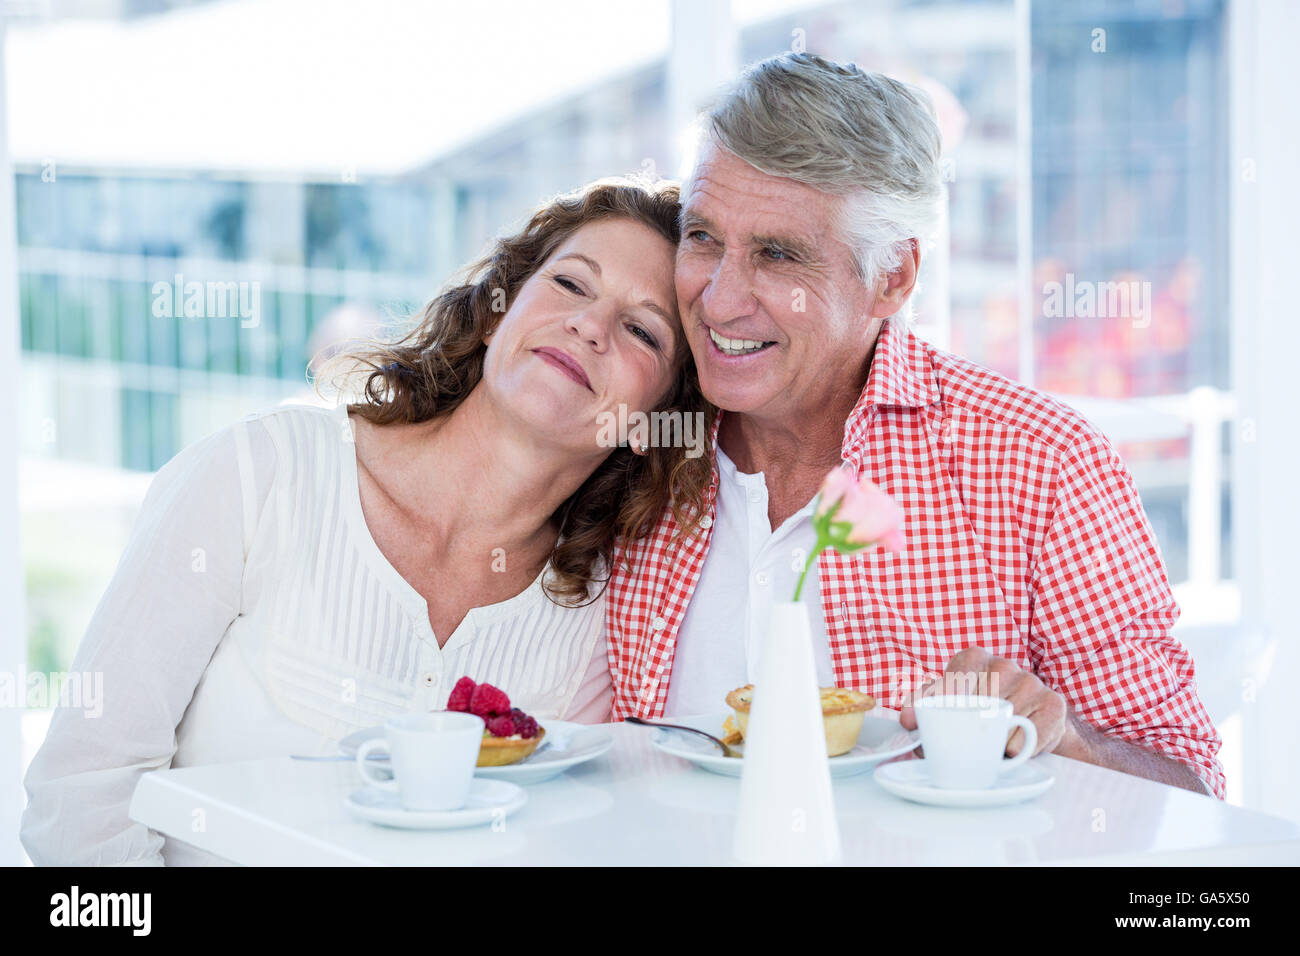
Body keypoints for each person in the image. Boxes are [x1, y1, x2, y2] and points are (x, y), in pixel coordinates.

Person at [22, 177, 715, 865]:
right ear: (498, 309)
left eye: (640, 330)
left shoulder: (598, 622)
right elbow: (80, 799)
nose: (590, 327)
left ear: (653, 421)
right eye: (570, 284)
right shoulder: (259, 477)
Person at [607, 53, 1225, 799]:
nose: (719, 297)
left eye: (777, 255)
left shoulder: (1043, 463)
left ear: (891, 277)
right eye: (702, 237)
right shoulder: (632, 435)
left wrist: (1063, 740)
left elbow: (1192, 793)